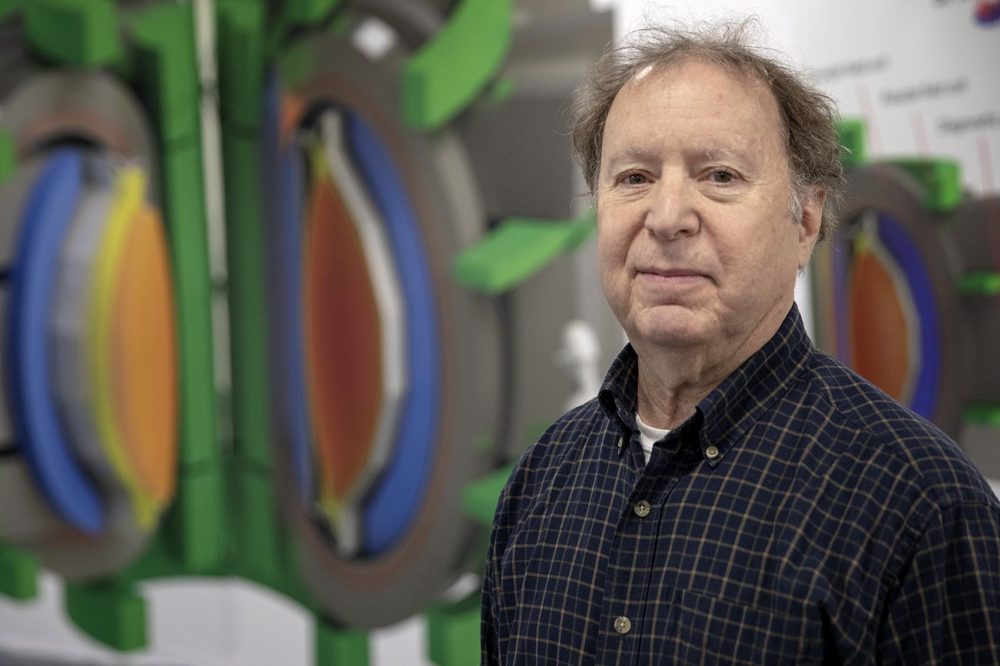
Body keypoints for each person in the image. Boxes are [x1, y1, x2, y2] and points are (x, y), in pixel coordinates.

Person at [480, 18, 1000, 664]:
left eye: (719, 175)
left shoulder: (918, 505)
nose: (667, 217)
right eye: (634, 177)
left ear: (805, 221)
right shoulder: (540, 484)